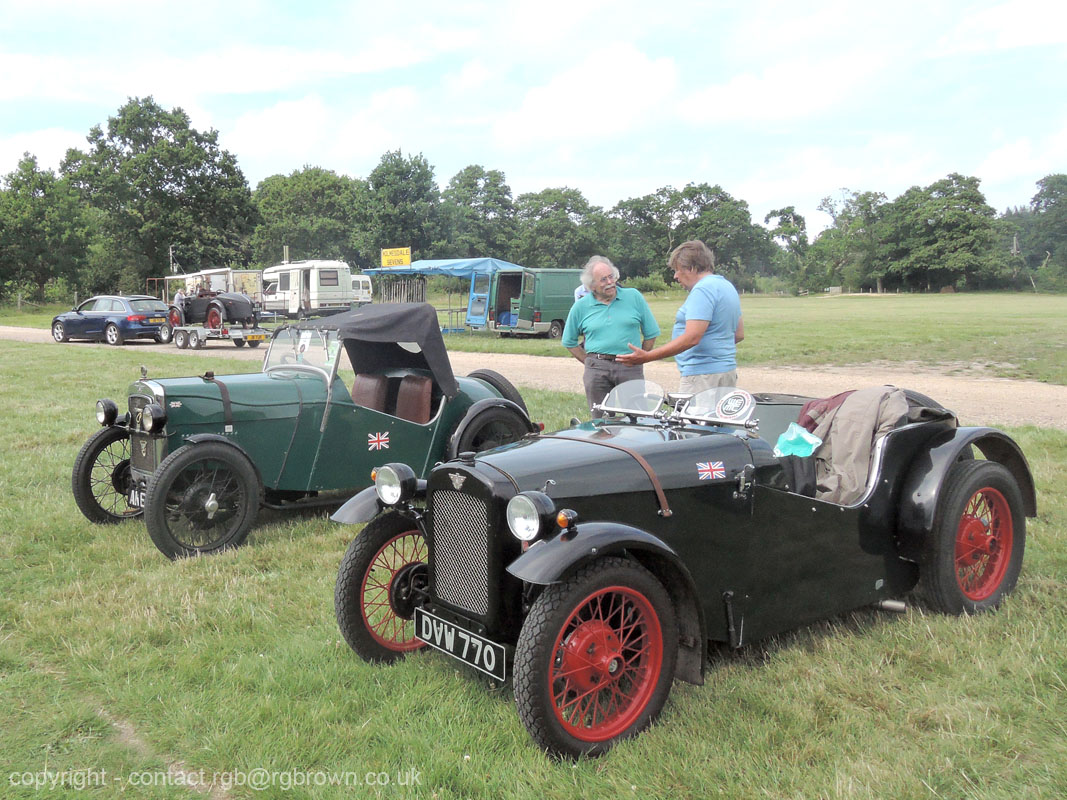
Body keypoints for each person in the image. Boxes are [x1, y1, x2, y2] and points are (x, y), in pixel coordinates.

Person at [616, 240, 743, 392]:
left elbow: (692, 337)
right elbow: (739, 334)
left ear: (691, 267)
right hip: (726, 371)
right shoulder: (726, 286)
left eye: (677, 270)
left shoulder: (702, 290)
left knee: (695, 416)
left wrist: (647, 357)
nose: (675, 276)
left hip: (702, 376)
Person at [562, 255, 660, 417]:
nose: (610, 282)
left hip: (630, 366)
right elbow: (569, 341)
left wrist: (640, 357)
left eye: (611, 277)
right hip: (597, 369)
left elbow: (651, 333)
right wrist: (589, 362)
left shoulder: (633, 297)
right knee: (601, 422)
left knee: (637, 419)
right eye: (603, 280)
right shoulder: (581, 306)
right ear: (592, 286)